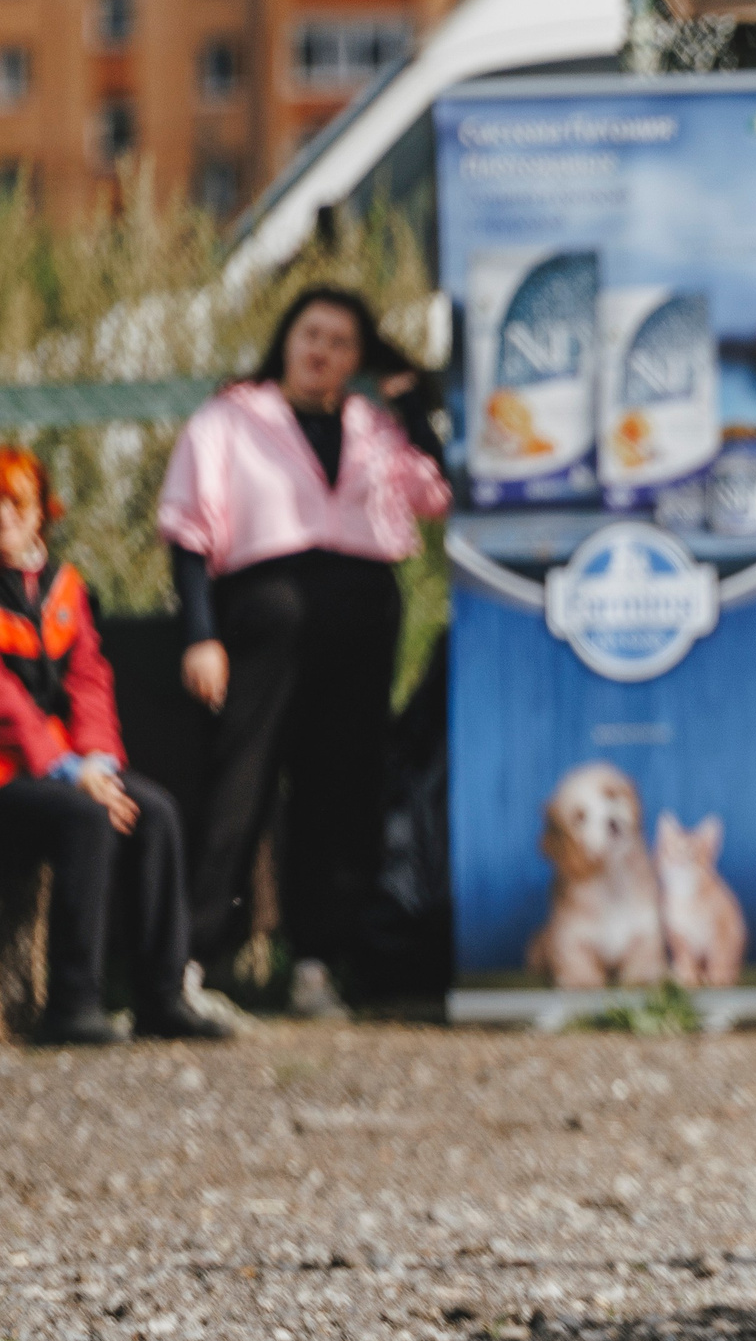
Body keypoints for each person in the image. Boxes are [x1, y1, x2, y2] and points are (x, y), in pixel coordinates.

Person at [157, 285, 450, 1016]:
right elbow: (189, 530)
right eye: (312, 334)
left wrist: (412, 403)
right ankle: (192, 960)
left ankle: (318, 962)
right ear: (287, 338)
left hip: (360, 614)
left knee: (340, 790)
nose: (322, 351)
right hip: (268, 613)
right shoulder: (231, 417)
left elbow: (436, 494)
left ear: (358, 358)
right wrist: (201, 635)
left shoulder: (374, 428)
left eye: (341, 342)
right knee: (241, 781)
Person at [0, 448, 229, 1045]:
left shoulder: (64, 588)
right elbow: (8, 703)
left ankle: (162, 998)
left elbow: (89, 680)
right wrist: (68, 771)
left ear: (40, 513)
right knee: (87, 819)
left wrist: (98, 761)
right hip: (13, 772)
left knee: (154, 813)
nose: (2, 515)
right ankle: (73, 1004)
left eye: (14, 502)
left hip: (70, 765)